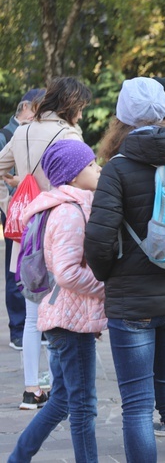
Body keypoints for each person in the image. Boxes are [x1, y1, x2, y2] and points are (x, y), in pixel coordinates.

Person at [83, 77, 165, 463]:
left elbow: (98, 240)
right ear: (164, 112)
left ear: (121, 117)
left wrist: (110, 274)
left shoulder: (117, 168)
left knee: (139, 407)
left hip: (133, 305)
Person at [9, 140, 106, 463]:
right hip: (68, 320)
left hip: (65, 316)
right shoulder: (68, 211)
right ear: (74, 174)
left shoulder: (68, 205)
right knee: (82, 406)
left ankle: (19, 457)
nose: (98, 169)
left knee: (62, 400)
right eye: (91, 165)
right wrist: (106, 288)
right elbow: (66, 273)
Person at [0, 77, 91, 409]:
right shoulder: (68, 135)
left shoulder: (22, 130)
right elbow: (82, 178)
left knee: (31, 312)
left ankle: (30, 390)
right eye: (80, 107)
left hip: (26, 230)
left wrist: (16, 185)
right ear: (70, 105)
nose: (81, 115)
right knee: (59, 312)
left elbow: (0, 164)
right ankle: (58, 385)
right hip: (58, 227)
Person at [2, 88, 44, 351]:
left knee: (33, 270)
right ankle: (18, 329)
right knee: (16, 273)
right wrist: (8, 206)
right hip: (17, 219)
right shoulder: (8, 134)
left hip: (34, 214)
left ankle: (32, 327)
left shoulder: (36, 132)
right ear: (27, 106)